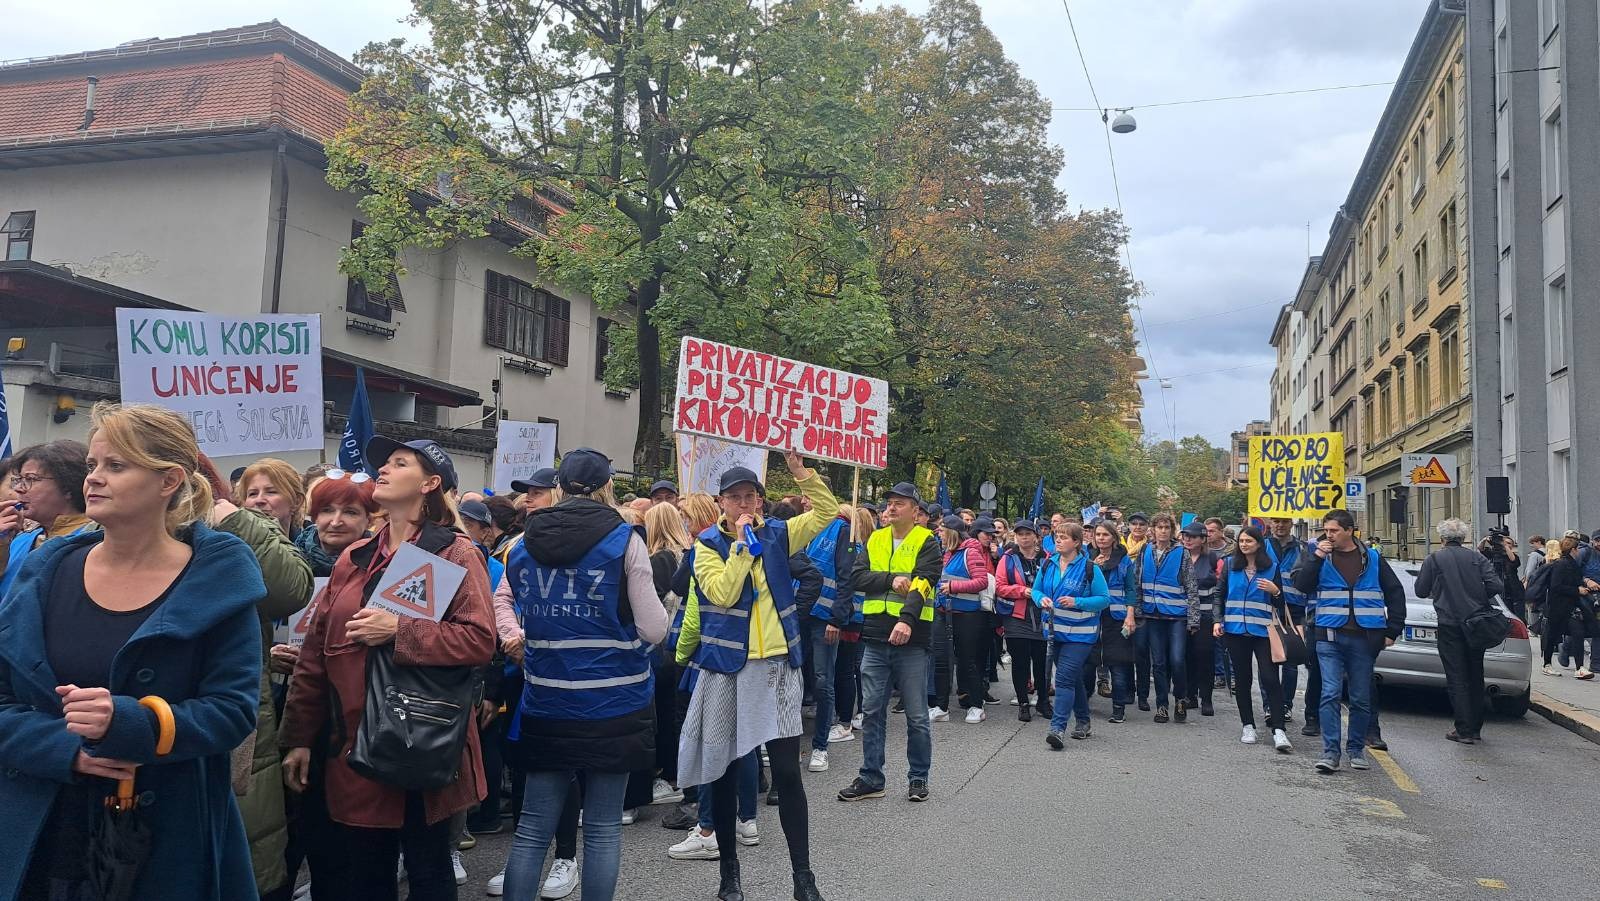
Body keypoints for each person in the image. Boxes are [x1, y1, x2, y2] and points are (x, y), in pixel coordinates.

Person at [0, 402, 264, 901]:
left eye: (116, 466)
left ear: (169, 481)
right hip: (39, 826)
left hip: (164, 836)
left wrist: (130, 723)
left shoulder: (217, 580)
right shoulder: (45, 570)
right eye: (94, 465)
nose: (94, 479)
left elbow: (232, 711)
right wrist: (65, 749)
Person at [280, 436, 496, 901]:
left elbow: (479, 640)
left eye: (400, 464)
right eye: (385, 463)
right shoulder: (354, 557)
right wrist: (299, 736)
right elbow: (317, 652)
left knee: (426, 869)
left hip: (418, 741)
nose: (384, 469)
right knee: (363, 873)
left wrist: (398, 631)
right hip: (350, 742)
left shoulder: (450, 552)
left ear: (429, 484)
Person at [673, 452, 835, 901]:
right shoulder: (706, 545)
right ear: (721, 503)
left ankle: (804, 877)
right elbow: (722, 593)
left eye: (751, 498)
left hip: (777, 666)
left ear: (761, 501)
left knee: (787, 772)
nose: (744, 505)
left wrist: (802, 473)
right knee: (724, 771)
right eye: (735, 498)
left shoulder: (781, 534)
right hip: (728, 670)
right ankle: (730, 874)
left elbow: (825, 512)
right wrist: (742, 548)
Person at [839, 482, 940, 806]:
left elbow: (924, 583)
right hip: (875, 637)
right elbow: (857, 577)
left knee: (916, 715)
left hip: (911, 639)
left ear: (915, 510)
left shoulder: (927, 542)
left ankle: (918, 777)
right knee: (871, 712)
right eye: (889, 503)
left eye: (899, 503)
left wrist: (906, 620)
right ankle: (871, 777)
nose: (891, 508)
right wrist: (889, 579)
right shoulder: (875, 539)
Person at [1294, 510, 1406, 774]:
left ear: (1349, 530)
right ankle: (1330, 752)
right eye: (1326, 530)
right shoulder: (1321, 556)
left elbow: (1395, 593)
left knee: (1360, 697)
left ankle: (1355, 749)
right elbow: (1302, 585)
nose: (1327, 535)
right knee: (1330, 693)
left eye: (1333, 530)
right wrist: (1317, 557)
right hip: (1329, 636)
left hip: (1365, 638)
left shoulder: (1373, 558)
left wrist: (1392, 630)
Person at [1415, 519, 1505, 744]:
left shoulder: (1434, 559)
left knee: (1456, 676)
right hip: (1476, 623)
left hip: (1449, 623)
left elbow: (1420, 590)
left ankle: (1463, 729)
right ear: (1463, 538)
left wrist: (1440, 591)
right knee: (1475, 674)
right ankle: (1475, 728)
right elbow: (1496, 586)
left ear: (1442, 538)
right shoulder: (1477, 558)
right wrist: (1477, 598)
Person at [1214, 526, 1292, 752]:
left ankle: (1279, 730)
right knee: (1243, 680)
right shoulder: (1230, 565)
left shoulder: (1271, 568)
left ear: (1259, 543)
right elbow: (1220, 594)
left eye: (1249, 540)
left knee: (1270, 679)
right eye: (1241, 541)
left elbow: (1280, 603)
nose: (1244, 544)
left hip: (1263, 632)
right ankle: (1248, 725)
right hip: (1235, 631)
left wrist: (1275, 591)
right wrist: (1218, 620)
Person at [1035, 521, 1111, 748]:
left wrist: (1077, 601)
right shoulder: (1048, 564)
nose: (1058, 540)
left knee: (1064, 679)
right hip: (1054, 632)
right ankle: (1084, 721)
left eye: (1064, 537)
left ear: (1077, 542)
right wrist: (1041, 599)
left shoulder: (1090, 568)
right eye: (1057, 536)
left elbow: (1104, 599)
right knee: (1073, 679)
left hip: (1080, 635)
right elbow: (1037, 590)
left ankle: (1057, 728)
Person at [801, 504, 860, 772]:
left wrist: (837, 618)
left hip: (825, 619)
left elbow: (847, 579)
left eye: (807, 496)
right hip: (797, 614)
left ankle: (820, 747)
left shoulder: (842, 531)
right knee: (794, 680)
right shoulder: (802, 527)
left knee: (823, 681)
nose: (803, 501)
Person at [0, 439, 93, 599]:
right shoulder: (21, 539)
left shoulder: (91, 542)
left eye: (30, 479)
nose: (18, 489)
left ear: (68, 487)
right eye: (19, 480)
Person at [1131, 514, 1197, 723]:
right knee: (1158, 663)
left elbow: (1191, 586)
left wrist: (1193, 618)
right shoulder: (1145, 551)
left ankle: (1180, 698)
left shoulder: (1181, 552)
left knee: (1177, 660)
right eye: (1159, 527)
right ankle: (1161, 705)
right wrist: (1136, 610)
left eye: (1167, 527)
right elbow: (1136, 582)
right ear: (1153, 530)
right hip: (1152, 615)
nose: (1163, 531)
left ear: (1172, 530)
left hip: (1176, 616)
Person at [1263, 517, 1315, 735]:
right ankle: (1269, 705)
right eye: (1276, 521)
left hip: (1293, 610)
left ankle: (1285, 704)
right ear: (1270, 523)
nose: (1280, 525)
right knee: (1269, 659)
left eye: (1284, 521)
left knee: (1290, 661)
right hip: (1267, 607)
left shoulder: (1302, 548)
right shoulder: (1262, 546)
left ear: (1291, 524)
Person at [941, 513, 994, 723]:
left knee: (968, 661)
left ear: (952, 533)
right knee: (948, 660)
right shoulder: (949, 553)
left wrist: (953, 587)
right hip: (948, 613)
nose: (940, 536)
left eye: (943, 532)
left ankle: (976, 704)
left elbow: (981, 581)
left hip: (969, 616)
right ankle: (943, 705)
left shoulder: (971, 552)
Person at [996, 520, 1049, 722]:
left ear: (1036, 536)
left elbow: (1055, 582)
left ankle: (1043, 701)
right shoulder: (1008, 558)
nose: (1024, 537)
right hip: (1017, 616)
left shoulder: (1048, 558)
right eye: (1020, 534)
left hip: (1042, 616)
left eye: (1028, 534)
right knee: (1020, 662)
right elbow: (1000, 586)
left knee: (1042, 662)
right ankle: (1023, 703)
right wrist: (1023, 591)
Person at [1090, 521, 1137, 723]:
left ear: (1114, 538)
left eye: (1105, 535)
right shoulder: (1087, 557)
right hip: (1091, 615)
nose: (1101, 538)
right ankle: (1083, 701)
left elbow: (1131, 589)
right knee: (1088, 661)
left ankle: (1119, 708)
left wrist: (1130, 615)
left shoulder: (1124, 560)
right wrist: (1093, 567)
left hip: (1116, 617)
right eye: (1098, 534)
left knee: (1117, 663)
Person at [1181, 522, 1223, 717]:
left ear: (1202, 539)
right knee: (1187, 655)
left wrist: (1218, 617)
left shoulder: (1214, 559)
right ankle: (1190, 695)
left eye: (1193, 536)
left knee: (1205, 655)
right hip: (1183, 615)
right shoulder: (1178, 557)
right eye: (1185, 535)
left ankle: (1206, 698)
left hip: (1206, 615)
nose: (1188, 539)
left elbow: (1221, 590)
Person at [241, 458, 309, 539]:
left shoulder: (311, 547)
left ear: (297, 501)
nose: (259, 500)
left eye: (271, 492)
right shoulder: (233, 548)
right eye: (253, 494)